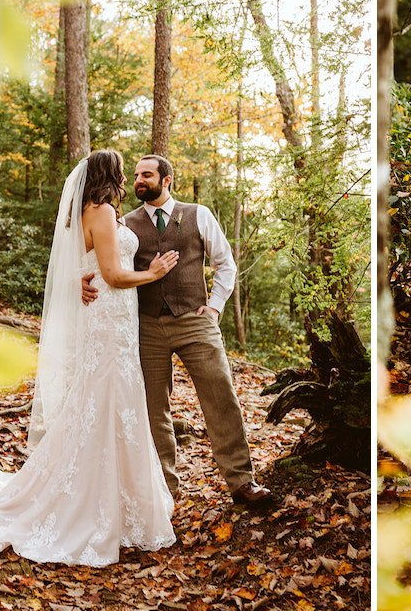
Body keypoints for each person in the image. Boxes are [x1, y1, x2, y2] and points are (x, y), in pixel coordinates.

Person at [0, 150, 181, 565]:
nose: (126, 175)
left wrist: (87, 277)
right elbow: (113, 276)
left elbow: (87, 265)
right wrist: (152, 274)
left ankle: (120, 499)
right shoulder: (101, 210)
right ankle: (93, 503)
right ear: (108, 175)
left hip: (113, 318)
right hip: (109, 320)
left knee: (109, 403)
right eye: (121, 169)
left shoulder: (93, 212)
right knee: (107, 399)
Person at [83, 154, 274, 509]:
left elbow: (225, 264)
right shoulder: (123, 222)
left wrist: (214, 307)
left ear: (167, 179)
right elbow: (100, 259)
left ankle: (241, 481)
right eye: (136, 174)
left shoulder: (198, 214)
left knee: (221, 394)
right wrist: (82, 280)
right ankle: (164, 491)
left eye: (147, 174)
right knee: (153, 408)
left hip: (194, 320)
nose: (139, 180)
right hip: (145, 325)